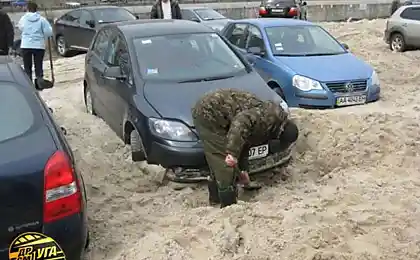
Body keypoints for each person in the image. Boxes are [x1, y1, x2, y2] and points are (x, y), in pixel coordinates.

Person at [192, 89, 299, 208]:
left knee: (223, 162)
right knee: (224, 165)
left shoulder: (272, 121)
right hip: (208, 114)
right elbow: (240, 123)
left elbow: (245, 141)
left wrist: (243, 170)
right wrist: (232, 153)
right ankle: (227, 206)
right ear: (279, 135)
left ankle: (216, 197)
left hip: (223, 115)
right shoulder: (265, 119)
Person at [18, 2, 53, 86]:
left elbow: (20, 28)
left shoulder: (23, 19)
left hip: (26, 45)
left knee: (27, 66)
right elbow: (49, 32)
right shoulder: (42, 19)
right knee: (38, 64)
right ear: (36, 9)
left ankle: (29, 83)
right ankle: (39, 82)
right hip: (38, 45)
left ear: (28, 9)